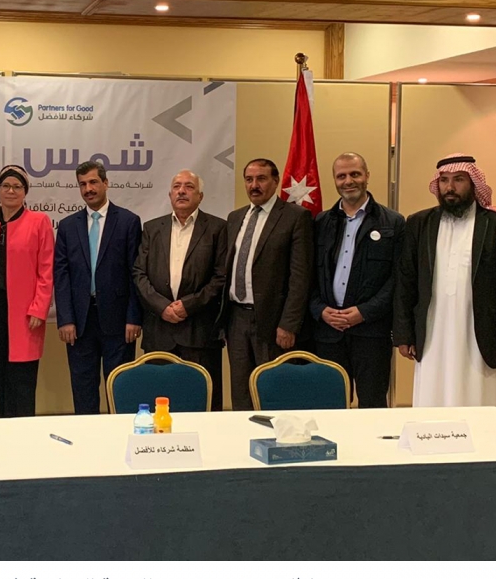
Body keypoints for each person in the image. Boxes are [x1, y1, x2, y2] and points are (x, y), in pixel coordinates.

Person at [394, 153, 496, 407]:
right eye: (444, 180)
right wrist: (403, 333)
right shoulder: (419, 223)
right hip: (433, 333)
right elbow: (406, 281)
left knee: (481, 401)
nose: (450, 187)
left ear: (473, 183)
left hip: (483, 336)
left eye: (459, 179)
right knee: (432, 401)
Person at [309, 153, 405, 408]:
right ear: (334, 180)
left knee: (372, 405)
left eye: (355, 174)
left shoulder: (392, 222)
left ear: (367, 176)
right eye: (341, 176)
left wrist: (364, 312)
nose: (348, 181)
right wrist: (320, 310)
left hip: (371, 333)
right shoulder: (320, 222)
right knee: (329, 406)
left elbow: (398, 280)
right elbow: (309, 276)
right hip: (328, 334)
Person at [224, 158, 314, 411]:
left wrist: (289, 324)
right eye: (249, 179)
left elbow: (300, 277)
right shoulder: (235, 217)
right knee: (241, 392)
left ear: (275, 182)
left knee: (273, 393)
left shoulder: (295, 217)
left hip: (273, 321)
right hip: (236, 319)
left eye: (261, 179)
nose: (254, 185)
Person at [133, 170, 226, 410]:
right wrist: (162, 306)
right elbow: (139, 274)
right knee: (159, 405)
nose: (182, 191)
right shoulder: (152, 228)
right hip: (159, 333)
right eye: (176, 186)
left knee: (203, 404)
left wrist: (188, 305)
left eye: (189, 187)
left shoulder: (217, 228)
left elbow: (221, 278)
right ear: (170, 194)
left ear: (200, 196)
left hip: (199, 334)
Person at [54, 161, 142, 414]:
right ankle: (86, 436)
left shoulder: (128, 221)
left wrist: (134, 318)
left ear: (106, 183)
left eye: (93, 182)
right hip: (79, 324)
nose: (88, 189)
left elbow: (135, 273)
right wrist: (66, 319)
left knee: (119, 389)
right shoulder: (68, 226)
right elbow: (61, 275)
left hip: (119, 322)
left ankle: (119, 435)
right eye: (82, 184)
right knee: (83, 391)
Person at [0, 165, 54, 417]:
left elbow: (47, 269)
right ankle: (2, 425)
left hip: (26, 313)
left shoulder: (39, 221)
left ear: (25, 192)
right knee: (0, 376)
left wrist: (39, 308)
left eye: (17, 186)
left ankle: (23, 430)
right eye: (6, 185)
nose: (11, 191)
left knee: (23, 379)